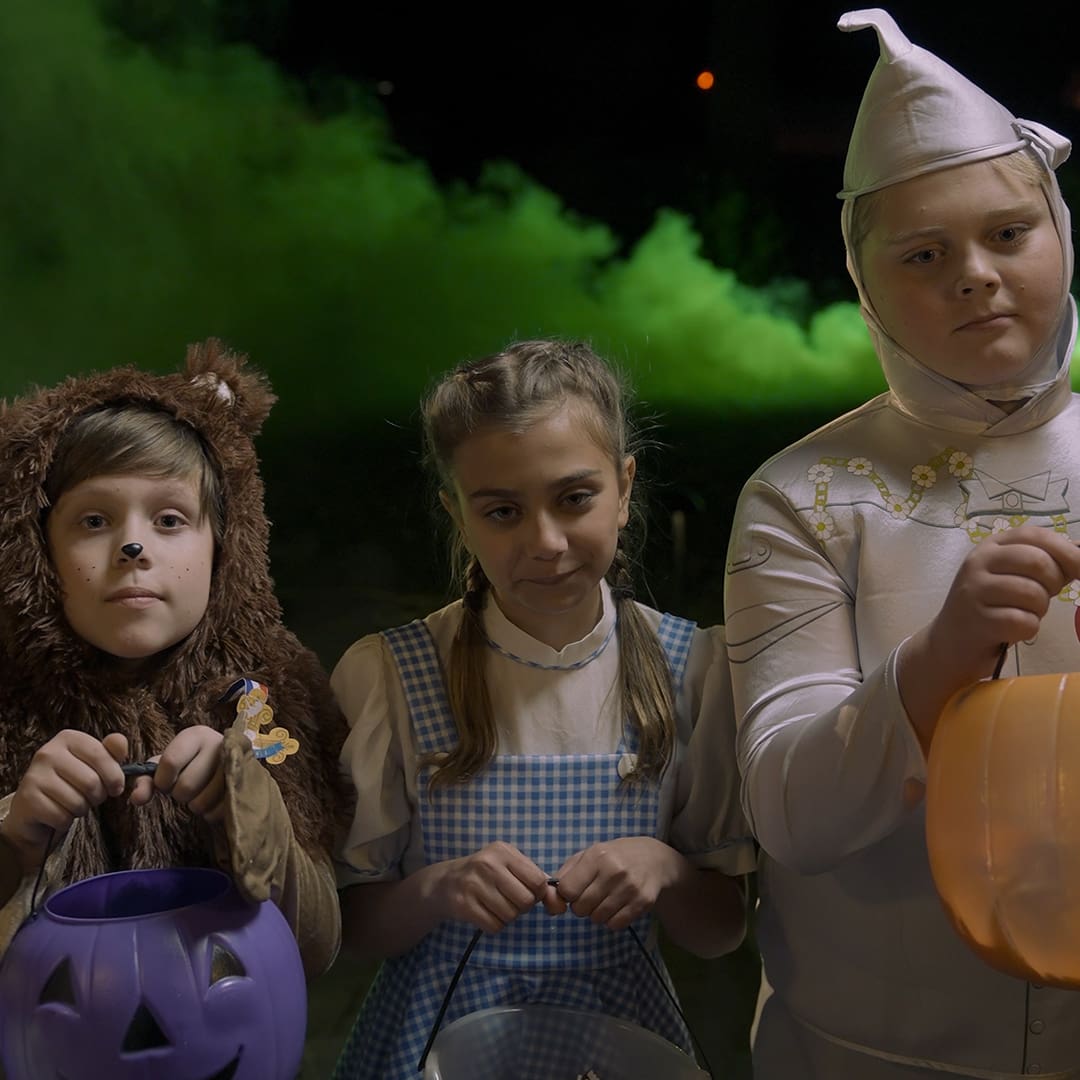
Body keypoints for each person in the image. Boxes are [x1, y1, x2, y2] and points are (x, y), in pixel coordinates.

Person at [724, 8, 1080, 1078]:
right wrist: (938, 659)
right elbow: (791, 810)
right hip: (874, 1050)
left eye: (1009, 234)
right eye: (925, 254)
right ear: (866, 283)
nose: (974, 274)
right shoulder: (802, 499)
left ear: (1062, 230)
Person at [331, 339, 755, 1078]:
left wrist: (667, 869)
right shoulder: (393, 675)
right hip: (437, 1040)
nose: (546, 541)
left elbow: (722, 929)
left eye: (574, 498)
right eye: (502, 511)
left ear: (624, 489)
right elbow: (354, 926)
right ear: (457, 514)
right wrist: (436, 889)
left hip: (616, 1040)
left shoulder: (694, 670)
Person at [0, 339, 350, 979]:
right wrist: (15, 835)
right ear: (37, 553)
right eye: (93, 521)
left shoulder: (268, 694)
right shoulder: (9, 700)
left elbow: (318, 945)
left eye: (168, 519)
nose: (133, 544)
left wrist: (248, 810)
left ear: (225, 545)